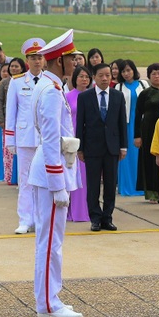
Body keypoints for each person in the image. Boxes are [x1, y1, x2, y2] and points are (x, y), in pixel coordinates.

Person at [28, 29, 81, 317]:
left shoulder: (50, 86)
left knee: (50, 241)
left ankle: (51, 297)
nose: (76, 62)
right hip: (51, 173)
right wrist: (58, 183)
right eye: (72, 57)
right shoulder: (50, 91)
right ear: (60, 60)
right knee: (50, 243)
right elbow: (50, 140)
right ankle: (48, 304)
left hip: (52, 169)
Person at [76, 63, 127, 231]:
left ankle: (107, 217)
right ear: (94, 78)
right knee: (93, 185)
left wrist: (123, 147)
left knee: (111, 185)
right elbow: (80, 124)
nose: (105, 78)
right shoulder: (85, 97)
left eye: (107, 75)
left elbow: (121, 123)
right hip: (92, 147)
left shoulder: (118, 96)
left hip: (112, 147)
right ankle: (95, 218)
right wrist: (80, 148)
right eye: (101, 75)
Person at [6, 37, 46, 234]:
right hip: (25, 137)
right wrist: (10, 140)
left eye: (39, 57)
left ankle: (40, 219)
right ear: (27, 61)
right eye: (33, 58)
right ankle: (25, 219)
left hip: (45, 139)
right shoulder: (17, 82)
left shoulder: (50, 81)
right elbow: (11, 112)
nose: (37, 61)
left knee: (43, 182)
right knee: (25, 181)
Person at [64, 66, 93, 222]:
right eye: (81, 76)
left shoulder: (93, 95)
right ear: (74, 78)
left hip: (89, 140)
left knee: (87, 177)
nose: (84, 79)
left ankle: (86, 210)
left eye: (87, 76)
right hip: (72, 139)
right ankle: (73, 211)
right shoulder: (67, 96)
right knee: (73, 176)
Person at [134, 63, 159, 203]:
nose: (157, 76)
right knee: (149, 161)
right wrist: (137, 136)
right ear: (148, 76)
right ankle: (152, 193)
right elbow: (137, 115)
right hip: (148, 131)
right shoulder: (144, 94)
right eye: (153, 74)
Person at [115, 59, 146, 196]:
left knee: (141, 155)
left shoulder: (143, 84)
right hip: (126, 125)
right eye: (123, 71)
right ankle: (128, 187)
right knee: (127, 156)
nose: (126, 73)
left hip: (141, 123)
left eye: (128, 70)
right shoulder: (119, 87)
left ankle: (142, 186)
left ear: (134, 70)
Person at [0, 57, 25, 186]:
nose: (14, 68)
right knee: (9, 152)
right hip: (8, 121)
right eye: (12, 66)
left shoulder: (26, 81)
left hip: (22, 123)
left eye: (16, 66)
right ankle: (10, 177)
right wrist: (1, 119)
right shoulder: (4, 82)